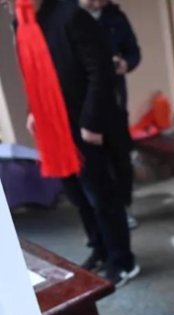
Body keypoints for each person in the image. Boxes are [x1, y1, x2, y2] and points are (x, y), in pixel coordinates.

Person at [14, 0, 139, 286]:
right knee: (78, 196)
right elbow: (31, 73)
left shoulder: (71, 16)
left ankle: (122, 261)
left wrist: (91, 123)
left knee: (101, 197)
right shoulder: (22, 23)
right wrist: (32, 111)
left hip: (82, 126)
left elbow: (101, 73)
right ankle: (99, 249)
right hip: (52, 129)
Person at [81, 0, 141, 229]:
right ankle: (103, 217)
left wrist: (125, 63)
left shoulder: (115, 17)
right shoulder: (71, 18)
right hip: (84, 106)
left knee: (121, 159)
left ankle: (124, 206)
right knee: (95, 165)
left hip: (114, 101)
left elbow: (134, 52)